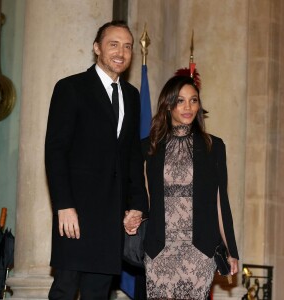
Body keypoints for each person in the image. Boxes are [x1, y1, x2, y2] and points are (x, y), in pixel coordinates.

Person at [45, 20, 148, 299]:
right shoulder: (71, 88)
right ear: (97, 48)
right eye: (113, 44)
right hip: (76, 214)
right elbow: (56, 150)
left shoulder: (132, 95)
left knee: (98, 293)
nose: (121, 52)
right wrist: (63, 204)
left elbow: (131, 156)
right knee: (65, 289)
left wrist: (137, 205)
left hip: (111, 216)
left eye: (127, 47)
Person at [141, 75, 239, 299]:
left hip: (199, 250)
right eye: (180, 101)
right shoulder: (149, 147)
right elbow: (142, 197)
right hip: (159, 250)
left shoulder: (214, 146)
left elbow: (220, 202)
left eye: (193, 100)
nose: (188, 107)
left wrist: (231, 250)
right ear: (168, 105)